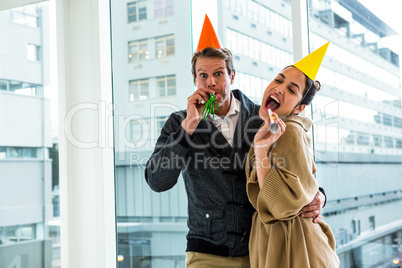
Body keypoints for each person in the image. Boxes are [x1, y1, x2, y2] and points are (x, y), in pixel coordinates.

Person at [145, 15, 326, 267]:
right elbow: (157, 181)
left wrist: (320, 196)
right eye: (203, 75)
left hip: (260, 250)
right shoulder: (180, 123)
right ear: (194, 81)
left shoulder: (262, 116)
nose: (211, 82)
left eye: (218, 73)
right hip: (206, 253)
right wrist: (187, 129)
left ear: (232, 76)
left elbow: (297, 169)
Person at [245, 42, 340, 267]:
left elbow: (278, 203)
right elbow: (304, 182)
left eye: (291, 89)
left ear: (299, 108)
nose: (279, 88)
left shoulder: (290, 131)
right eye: (278, 80)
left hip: (292, 243)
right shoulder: (271, 126)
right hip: (284, 238)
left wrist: (260, 151)